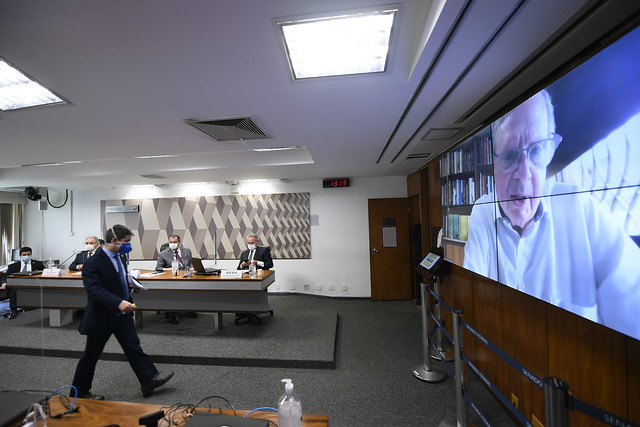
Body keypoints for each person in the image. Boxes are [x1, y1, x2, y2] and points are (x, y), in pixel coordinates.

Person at [463, 89, 640, 339]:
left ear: (550, 151)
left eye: (536, 151)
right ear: (494, 164)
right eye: (510, 155)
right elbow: (473, 304)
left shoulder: (583, 211)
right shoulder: (483, 211)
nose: (524, 173)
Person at [71, 224, 173, 400]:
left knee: (133, 347)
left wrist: (131, 288)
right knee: (91, 355)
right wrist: (118, 302)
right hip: (101, 316)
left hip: (122, 315)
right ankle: (79, 393)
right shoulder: (93, 262)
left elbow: (118, 279)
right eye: (126, 242)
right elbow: (94, 290)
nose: (128, 245)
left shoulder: (119, 257)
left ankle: (148, 380)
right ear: (114, 240)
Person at [0, 247, 46, 319]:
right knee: (12, 287)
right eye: (24, 255)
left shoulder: (38, 264)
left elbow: (45, 274)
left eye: (28, 254)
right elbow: (5, 276)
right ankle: (13, 311)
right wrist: (4, 283)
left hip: (33, 284)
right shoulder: (13, 266)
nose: (26, 256)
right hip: (17, 284)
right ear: (20, 256)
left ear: (31, 254)